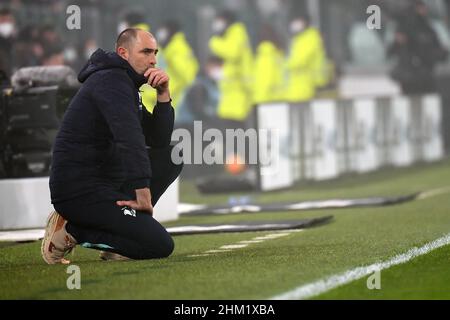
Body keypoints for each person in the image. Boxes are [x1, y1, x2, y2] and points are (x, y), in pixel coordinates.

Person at [41, 28, 182, 264]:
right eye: (146, 51)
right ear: (123, 52)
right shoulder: (110, 81)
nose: (153, 59)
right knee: (159, 244)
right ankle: (71, 229)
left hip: (107, 184)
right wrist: (142, 191)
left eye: (155, 53)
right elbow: (129, 137)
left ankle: (118, 238)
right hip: (80, 191)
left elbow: (158, 141)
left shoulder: (125, 84)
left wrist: (163, 96)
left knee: (171, 156)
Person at [388, 1, 448, 94]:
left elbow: (436, 51)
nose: (424, 11)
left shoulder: (427, 29)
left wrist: (442, 52)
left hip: (426, 75)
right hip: (410, 76)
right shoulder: (405, 28)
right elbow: (391, 52)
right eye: (421, 8)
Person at [208, 10, 253, 123]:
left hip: (239, 89)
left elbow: (233, 52)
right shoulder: (231, 35)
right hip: (232, 90)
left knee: (235, 127)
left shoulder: (237, 32)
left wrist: (215, 42)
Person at [285, 14, 330, 103]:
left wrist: (284, 65)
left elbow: (298, 61)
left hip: (305, 87)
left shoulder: (309, 38)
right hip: (301, 86)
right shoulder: (301, 39)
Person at [155, 20, 199, 110]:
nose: (160, 32)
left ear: (170, 31)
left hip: (176, 98)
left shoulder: (176, 50)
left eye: (163, 29)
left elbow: (186, 75)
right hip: (166, 98)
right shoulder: (167, 48)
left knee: (193, 122)